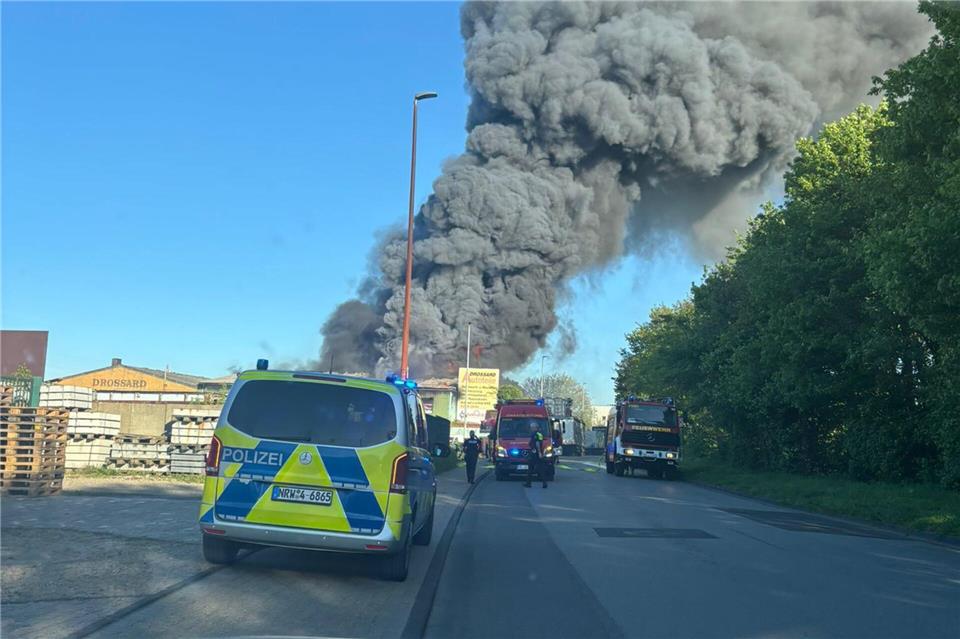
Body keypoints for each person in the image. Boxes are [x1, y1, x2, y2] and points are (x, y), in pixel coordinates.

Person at [523, 422, 547, 488]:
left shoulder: (535, 434)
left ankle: (528, 483)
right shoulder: (540, 434)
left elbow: (537, 444)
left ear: (535, 428)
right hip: (538, 453)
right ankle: (544, 483)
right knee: (540, 469)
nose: (531, 428)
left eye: (532, 427)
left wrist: (539, 453)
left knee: (530, 469)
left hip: (535, 454)